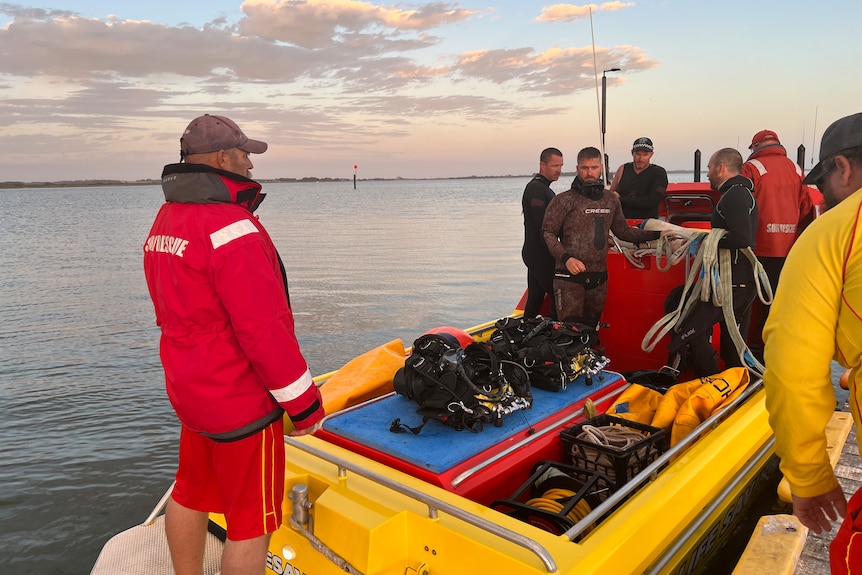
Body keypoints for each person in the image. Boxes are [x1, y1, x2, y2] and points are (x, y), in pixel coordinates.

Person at [143, 114, 325, 575]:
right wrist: (304, 406)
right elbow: (263, 331)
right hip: (241, 403)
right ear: (224, 158)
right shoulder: (234, 229)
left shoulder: (166, 219)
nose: (250, 165)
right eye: (246, 154)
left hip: (191, 394)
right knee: (252, 521)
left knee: (188, 493)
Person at [763, 112, 862, 575]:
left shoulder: (835, 231)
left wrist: (808, 474)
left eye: (825, 183)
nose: (824, 197)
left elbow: (793, 371)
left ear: (843, 168)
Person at [542, 146, 662, 328]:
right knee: (570, 333)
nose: (589, 173)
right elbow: (547, 233)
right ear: (577, 169)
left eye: (594, 168)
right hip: (569, 278)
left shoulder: (611, 199)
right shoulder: (563, 200)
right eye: (584, 168)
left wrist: (659, 235)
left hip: (599, 278)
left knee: (591, 332)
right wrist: (567, 259)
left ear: (601, 169)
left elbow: (624, 232)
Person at [667, 148, 758, 376]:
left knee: (690, 326)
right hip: (729, 281)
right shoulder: (734, 194)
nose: (707, 174)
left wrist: (703, 241)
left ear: (721, 168)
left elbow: (742, 237)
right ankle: (725, 382)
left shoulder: (736, 195)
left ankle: (712, 378)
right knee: (677, 301)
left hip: (736, 281)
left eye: (709, 168)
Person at [742, 129, 816, 360]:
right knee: (776, 299)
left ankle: (748, 348)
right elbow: (805, 205)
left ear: (755, 147)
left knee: (748, 301)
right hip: (787, 247)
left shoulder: (751, 168)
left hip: (757, 246)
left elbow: (742, 204)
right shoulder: (796, 168)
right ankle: (775, 349)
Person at [522, 147, 563, 319]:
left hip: (538, 253)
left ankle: (525, 334)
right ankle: (553, 336)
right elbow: (543, 226)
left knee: (535, 298)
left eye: (561, 165)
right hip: (538, 254)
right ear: (542, 165)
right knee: (559, 296)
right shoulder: (536, 189)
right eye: (555, 165)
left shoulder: (545, 189)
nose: (559, 170)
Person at [609, 137, 669, 219]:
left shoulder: (659, 173)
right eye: (638, 154)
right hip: (622, 222)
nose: (641, 159)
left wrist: (621, 199)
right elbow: (611, 195)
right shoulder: (623, 169)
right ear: (632, 153)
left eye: (645, 155)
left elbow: (653, 201)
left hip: (647, 223)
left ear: (651, 154)